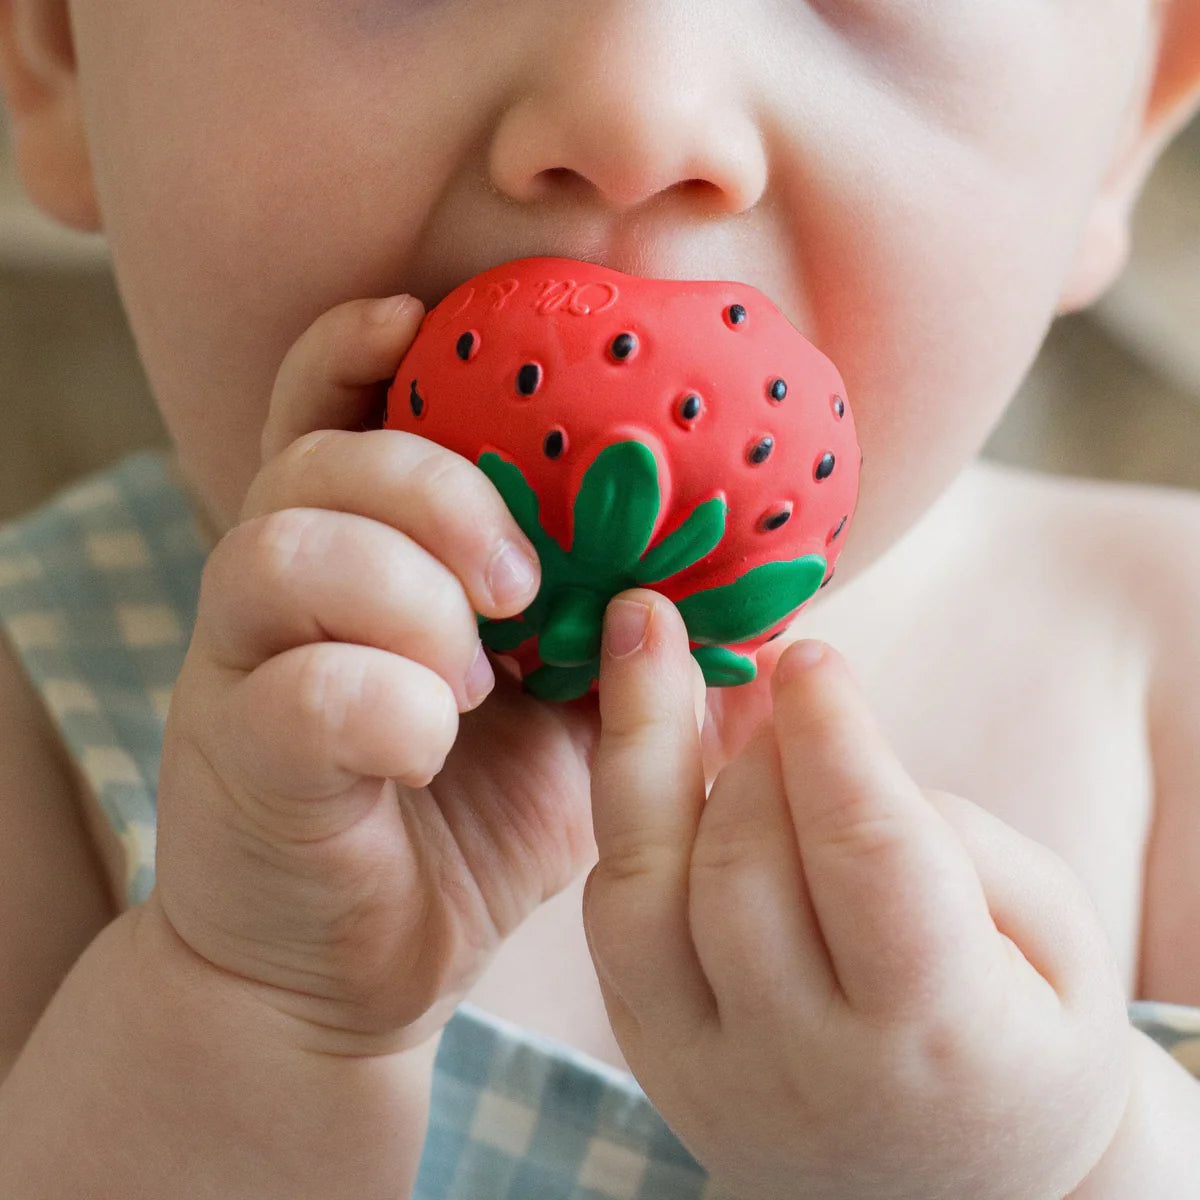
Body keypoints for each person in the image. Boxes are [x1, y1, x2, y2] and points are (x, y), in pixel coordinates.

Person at [1, 0, 1200, 1194]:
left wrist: (1076, 1160)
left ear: (1126, 126)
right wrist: (253, 1000)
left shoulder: (1167, 683)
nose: (636, 117)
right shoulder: (37, 724)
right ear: (55, 42)